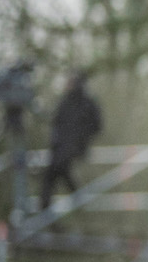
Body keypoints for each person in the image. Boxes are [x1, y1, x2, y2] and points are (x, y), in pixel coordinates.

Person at [39, 71, 103, 210]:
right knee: (56, 171)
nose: (68, 85)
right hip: (61, 149)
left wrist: (81, 137)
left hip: (74, 148)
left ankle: (49, 208)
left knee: (54, 171)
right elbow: (56, 122)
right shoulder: (65, 102)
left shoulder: (88, 103)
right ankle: (71, 201)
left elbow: (97, 126)